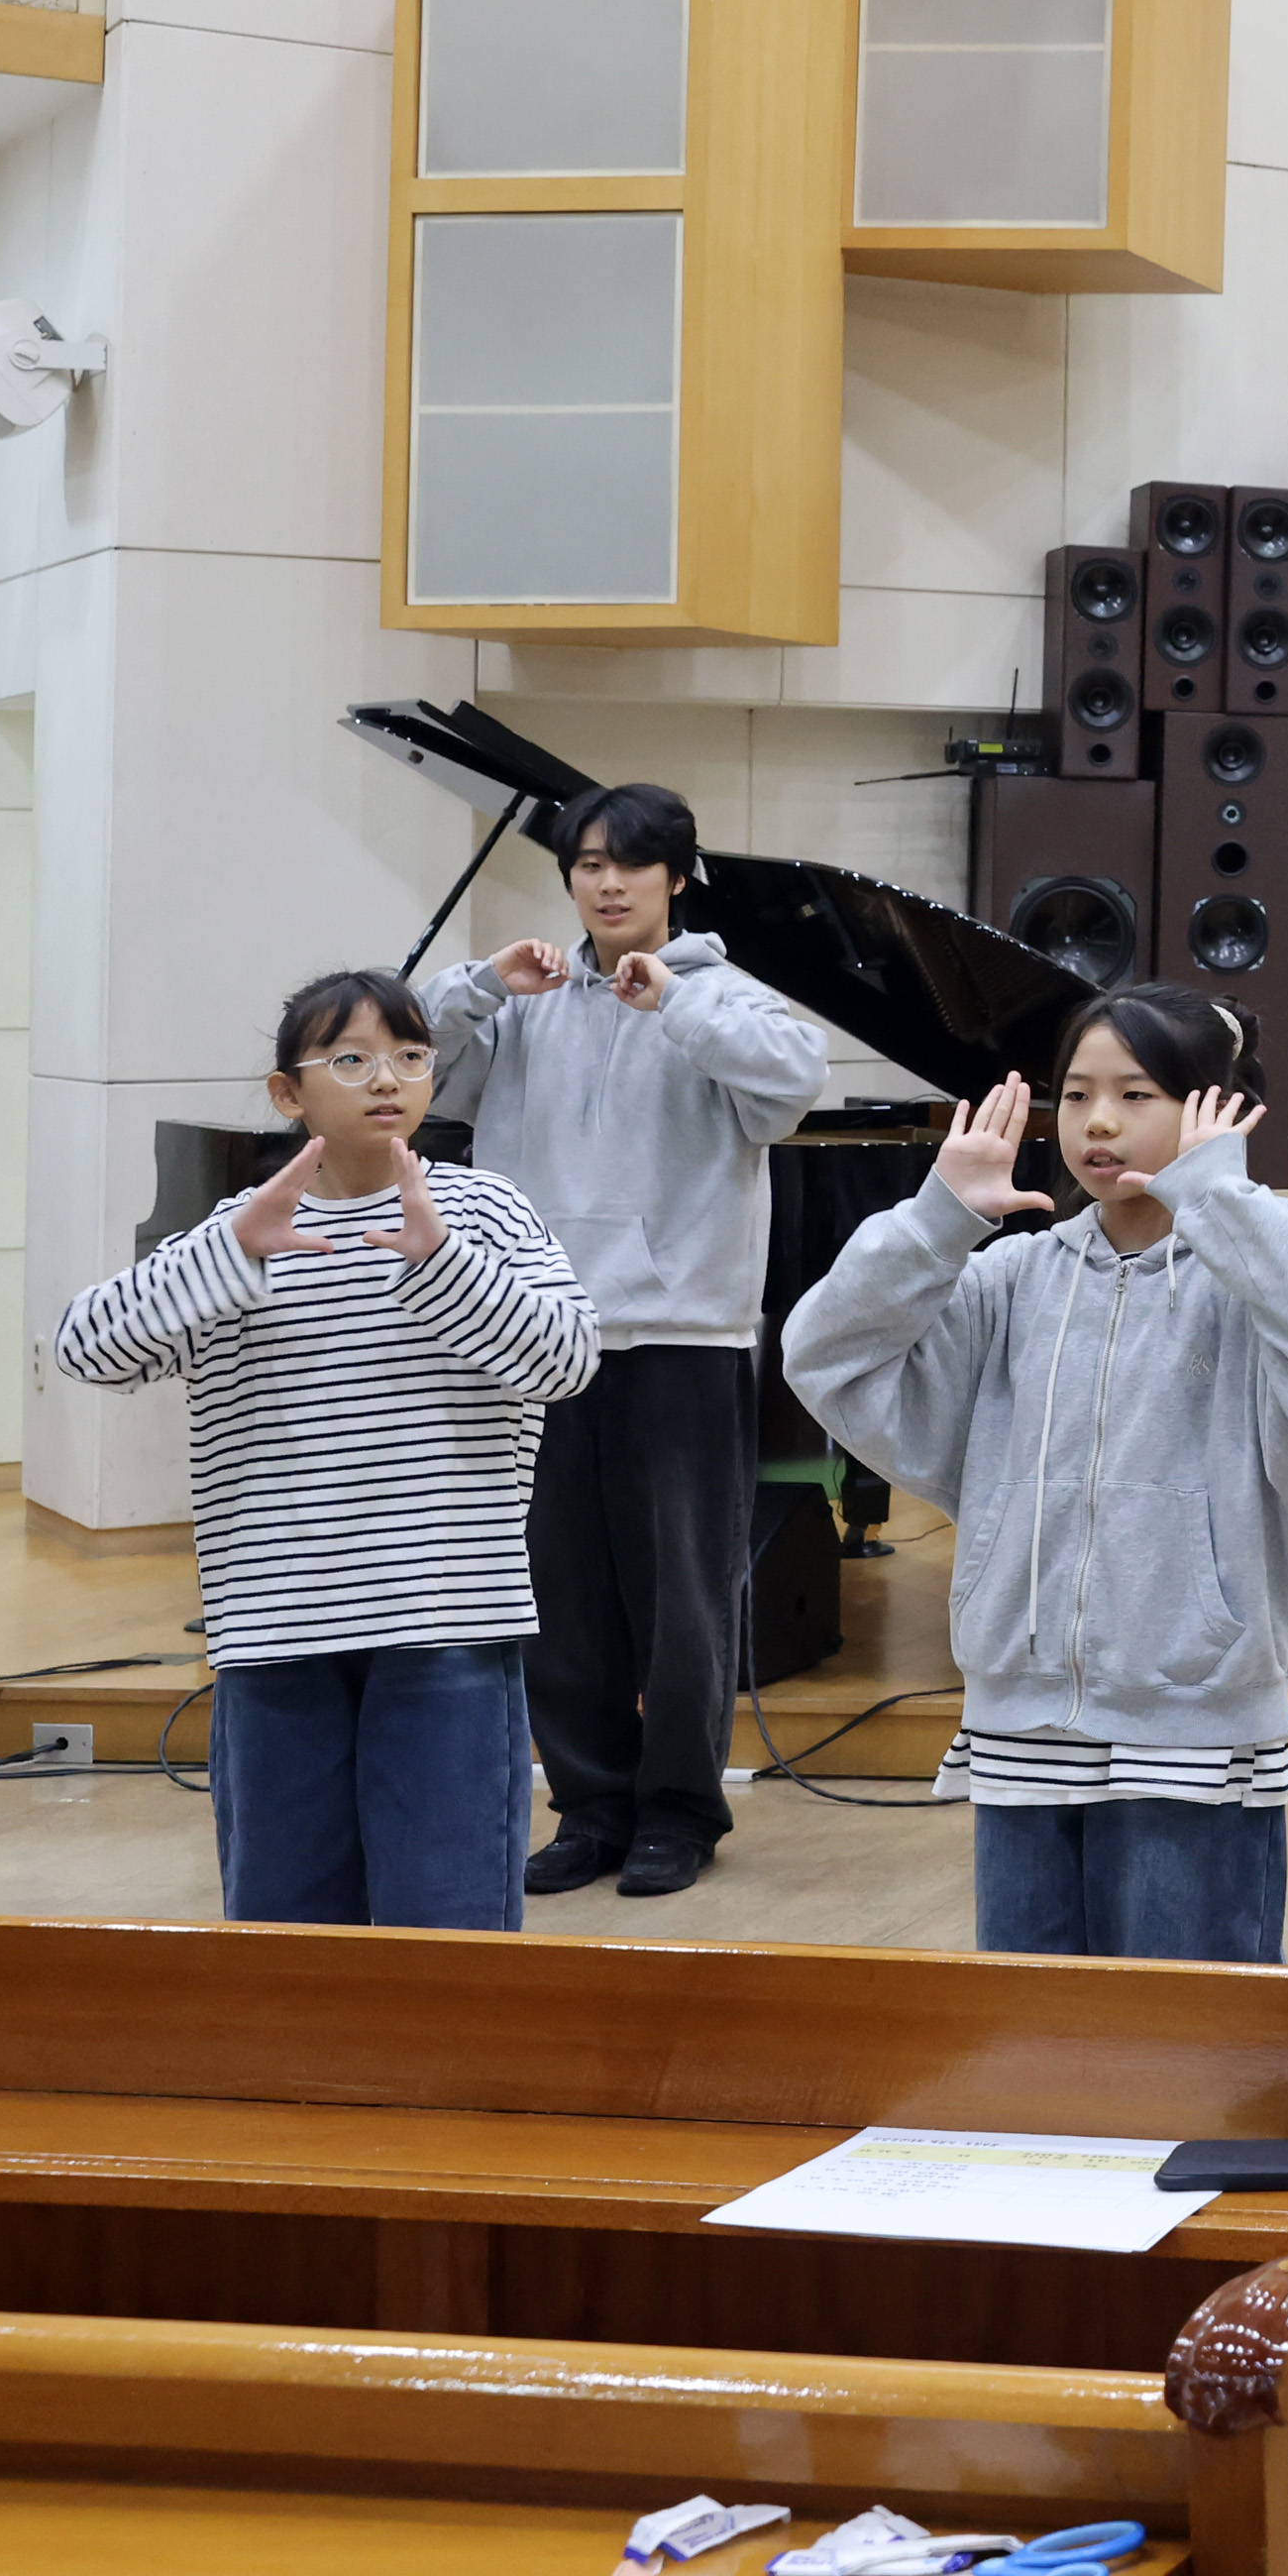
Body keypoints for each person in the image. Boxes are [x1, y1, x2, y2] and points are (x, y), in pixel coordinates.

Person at [779, 986, 1288, 1963]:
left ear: (1211, 1108)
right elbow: (822, 1355)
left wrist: (1220, 1200)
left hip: (1194, 1735)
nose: (1098, 1121)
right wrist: (937, 1219)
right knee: (1033, 2033)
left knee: (1182, 2030)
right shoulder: (1012, 1277)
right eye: (1075, 1095)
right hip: (1019, 1730)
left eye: (1135, 1093)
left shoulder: (1266, 1268)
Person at [51, 970, 599, 1928]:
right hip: (276, 1627)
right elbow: (85, 1350)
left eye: (410, 1057)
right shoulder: (242, 1231)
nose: (386, 1079)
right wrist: (228, 1251)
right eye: (350, 1060)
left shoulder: (486, 1212)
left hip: (445, 1622)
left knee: (449, 1923)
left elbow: (568, 1363)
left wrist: (443, 1268)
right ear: (287, 1093)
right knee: (287, 1928)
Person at [421, 782, 829, 1903]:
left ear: (677, 878)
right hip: (540, 1335)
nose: (606, 883)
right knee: (558, 1593)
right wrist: (479, 983)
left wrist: (674, 1003)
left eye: (631, 864)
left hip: (682, 1333)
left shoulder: (725, 994)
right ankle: (591, 1806)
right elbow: (412, 1063)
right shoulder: (527, 998)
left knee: (683, 1597)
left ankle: (681, 1811)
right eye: (587, 864)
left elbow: (793, 1085)